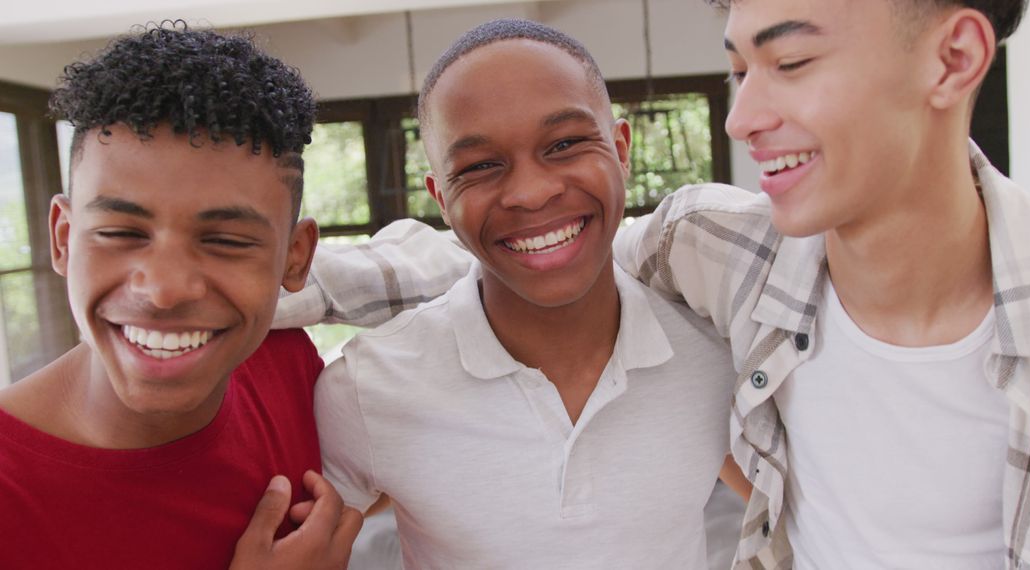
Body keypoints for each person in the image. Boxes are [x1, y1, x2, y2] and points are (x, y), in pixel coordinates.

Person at [614, 0, 1030, 568]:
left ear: (953, 59)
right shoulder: (708, 247)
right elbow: (523, 274)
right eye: (740, 71)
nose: (741, 118)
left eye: (791, 62)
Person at [279, 18, 747, 569]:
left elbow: (796, 506)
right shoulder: (369, 385)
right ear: (441, 197)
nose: (530, 192)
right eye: (480, 166)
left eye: (566, 144)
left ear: (621, 150)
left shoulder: (715, 357)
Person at [0, 22, 362, 570]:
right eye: (122, 233)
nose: (165, 291)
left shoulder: (285, 368)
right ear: (63, 238)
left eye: (225, 241)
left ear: (295, 257)